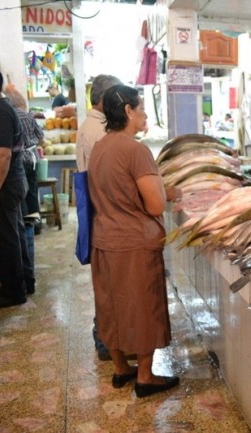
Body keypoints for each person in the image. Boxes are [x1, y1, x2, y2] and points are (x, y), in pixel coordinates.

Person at [89, 84, 180, 397]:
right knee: (142, 306)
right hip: (134, 242)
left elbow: (117, 191)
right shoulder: (135, 150)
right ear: (127, 111)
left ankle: (120, 368)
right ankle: (145, 376)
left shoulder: (101, 146)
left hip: (104, 239)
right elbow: (154, 205)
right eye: (140, 108)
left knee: (111, 305)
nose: (144, 114)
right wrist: (166, 194)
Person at [75, 74, 123, 361]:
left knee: (105, 279)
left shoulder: (90, 125)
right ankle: (105, 337)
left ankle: (104, 334)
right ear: (106, 101)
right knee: (108, 281)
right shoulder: (100, 131)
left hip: (96, 207)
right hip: (104, 211)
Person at [0, 67, 30, 308]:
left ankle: (13, 291)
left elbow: (2, 156)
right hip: (10, 182)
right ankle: (25, 282)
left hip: (6, 184)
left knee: (5, 237)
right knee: (13, 233)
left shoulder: (0, 112)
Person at [7, 89, 43, 295]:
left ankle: (30, 225)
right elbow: (41, 138)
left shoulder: (7, 115)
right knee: (31, 195)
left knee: (21, 209)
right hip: (30, 161)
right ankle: (35, 224)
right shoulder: (28, 116)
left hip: (17, 164)